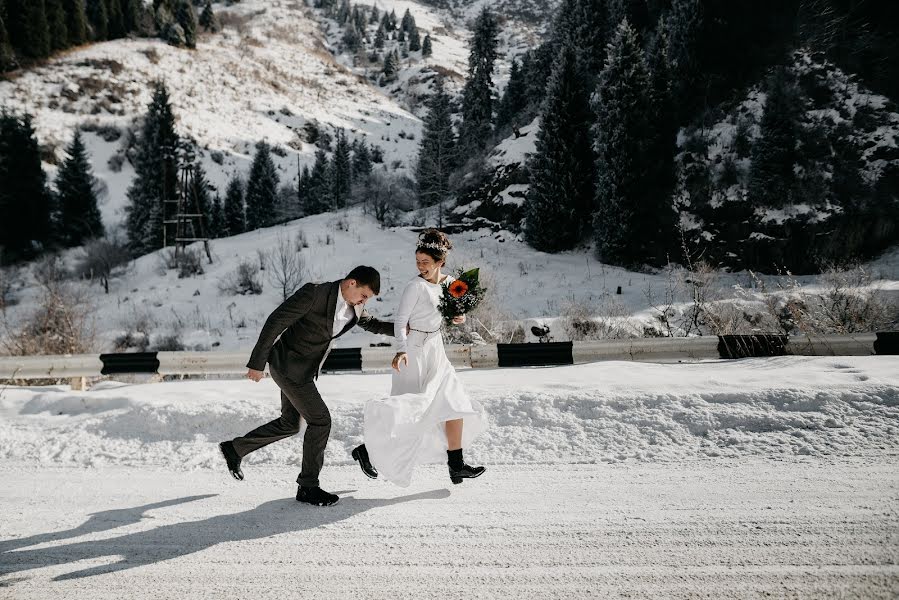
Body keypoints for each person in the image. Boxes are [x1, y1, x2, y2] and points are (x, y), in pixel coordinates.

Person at [219, 266, 394, 506]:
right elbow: (275, 322)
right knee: (320, 421)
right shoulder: (314, 294)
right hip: (287, 366)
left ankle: (235, 449)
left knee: (289, 424)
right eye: (364, 295)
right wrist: (257, 363)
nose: (364, 301)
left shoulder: (356, 305)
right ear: (352, 283)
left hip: (304, 370)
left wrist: (406, 329)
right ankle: (308, 487)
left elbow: (372, 323)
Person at [352, 229, 486, 487]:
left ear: (440, 262)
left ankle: (456, 466)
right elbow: (401, 321)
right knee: (412, 411)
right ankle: (366, 451)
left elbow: (455, 312)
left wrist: (460, 318)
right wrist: (401, 348)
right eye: (418, 262)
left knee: (453, 400)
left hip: (436, 347)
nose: (420, 266)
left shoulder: (451, 284)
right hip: (412, 351)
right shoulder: (414, 287)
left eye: (425, 262)